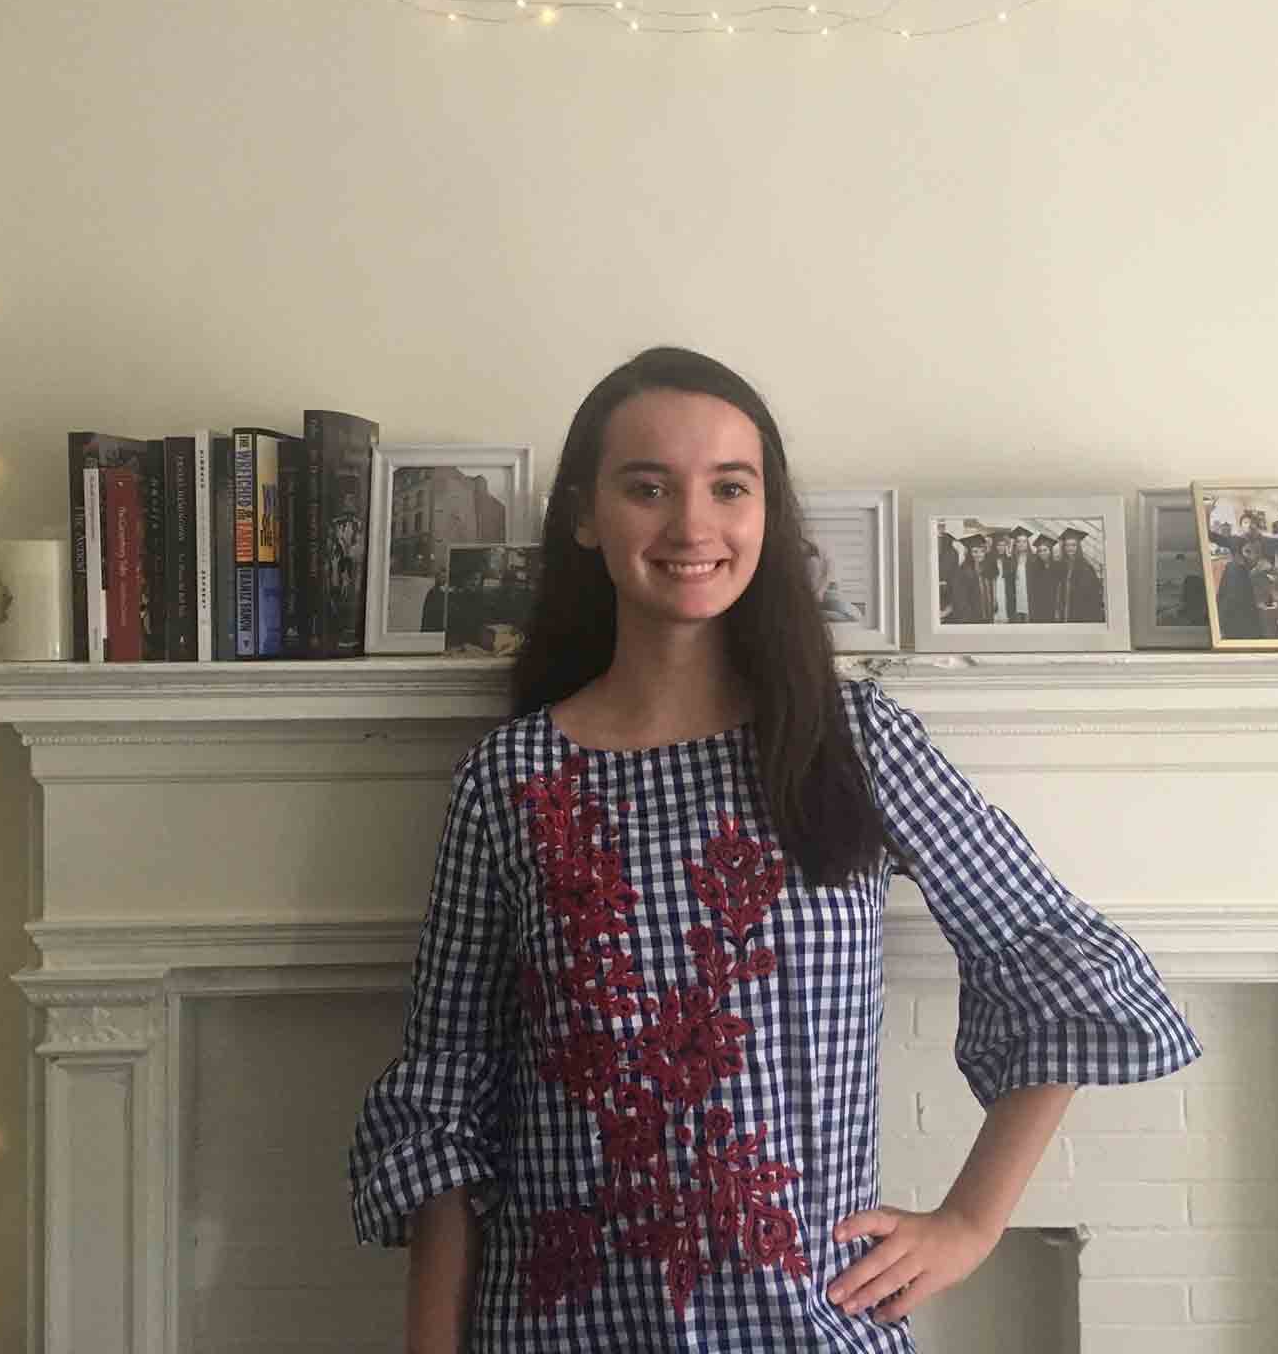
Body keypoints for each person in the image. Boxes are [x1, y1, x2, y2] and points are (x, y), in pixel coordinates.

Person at [347, 348, 1200, 1352]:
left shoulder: (852, 742)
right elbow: (447, 1089)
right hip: (554, 1333)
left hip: (803, 1327)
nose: (691, 526)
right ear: (585, 516)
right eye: (647, 487)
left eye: (728, 488)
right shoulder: (510, 777)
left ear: (767, 514)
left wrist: (969, 1222)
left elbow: (1066, 967)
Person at [1044, 526, 1104, 624]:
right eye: (1067, 545)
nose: (1070, 548)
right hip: (1061, 613)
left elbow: (1094, 595)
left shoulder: (1086, 567)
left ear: (1078, 547)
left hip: (1080, 614)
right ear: (1064, 547)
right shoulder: (1059, 566)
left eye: (1073, 545)